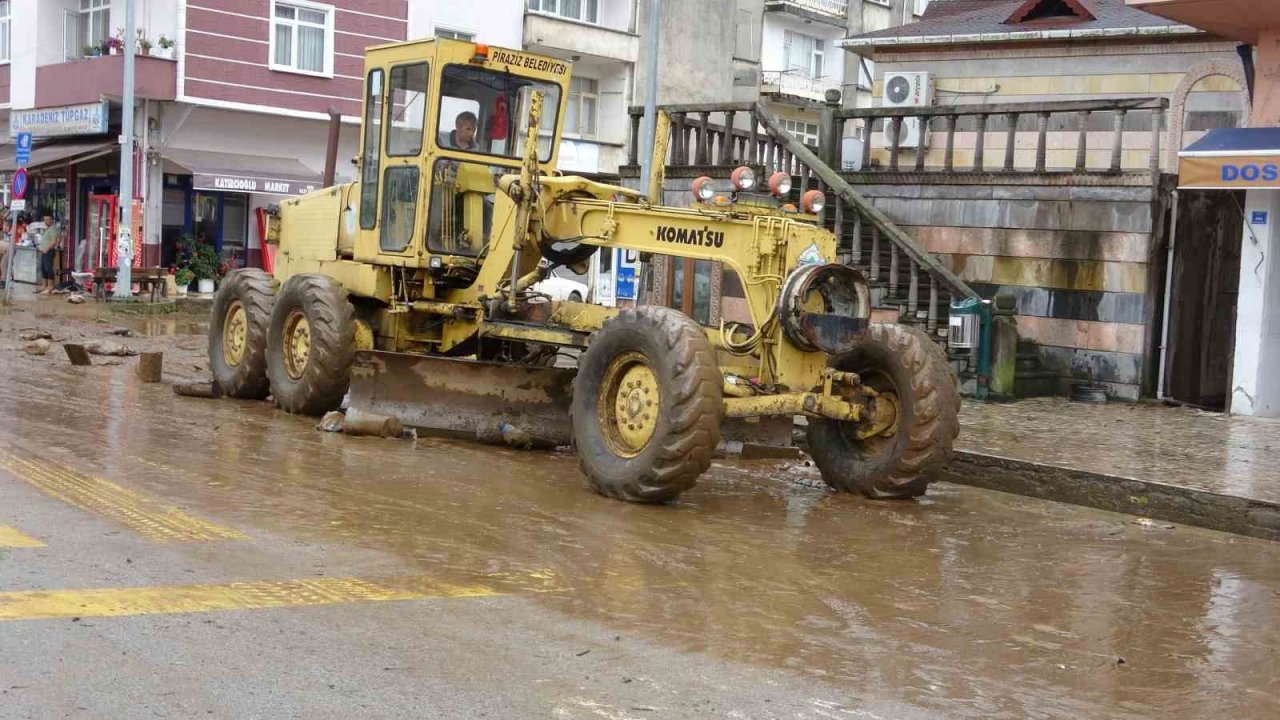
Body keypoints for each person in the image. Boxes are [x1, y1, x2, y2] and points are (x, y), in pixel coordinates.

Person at [34, 212, 63, 295]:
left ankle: (50, 286)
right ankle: (44, 285)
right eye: (44, 220)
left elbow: (54, 242)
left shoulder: (54, 229)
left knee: (48, 269)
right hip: (44, 251)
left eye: (47, 219)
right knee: (43, 268)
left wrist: (47, 249)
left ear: (52, 220)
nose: (45, 221)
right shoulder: (48, 229)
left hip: (49, 251)